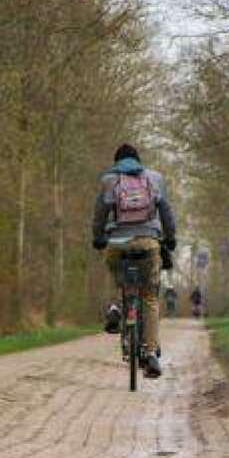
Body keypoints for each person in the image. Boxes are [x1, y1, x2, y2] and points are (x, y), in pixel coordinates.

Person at [92, 143, 177, 378]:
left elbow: (100, 213)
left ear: (116, 161)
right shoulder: (155, 178)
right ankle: (150, 354)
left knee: (114, 273)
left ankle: (115, 307)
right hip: (148, 242)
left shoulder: (109, 180)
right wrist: (170, 239)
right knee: (149, 296)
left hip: (118, 244)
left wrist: (98, 237)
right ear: (139, 160)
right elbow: (167, 212)